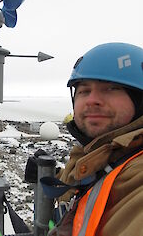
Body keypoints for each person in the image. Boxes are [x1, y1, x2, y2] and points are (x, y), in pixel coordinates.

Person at [44, 42, 143, 236]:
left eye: (112, 88)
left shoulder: (136, 179)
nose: (91, 100)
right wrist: (54, 176)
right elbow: (89, 184)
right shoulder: (108, 155)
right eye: (84, 91)